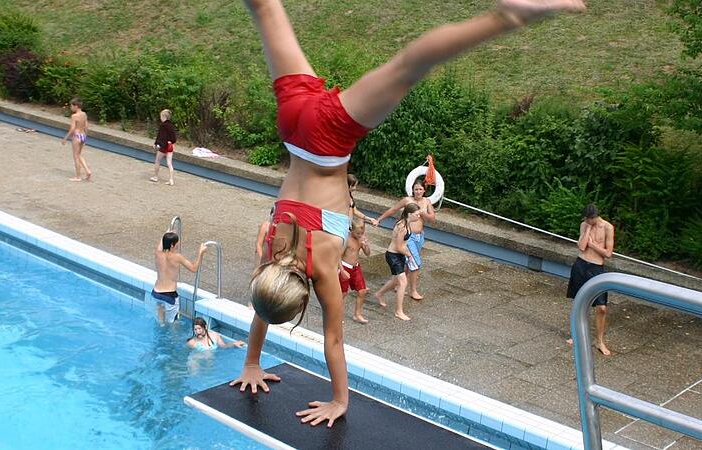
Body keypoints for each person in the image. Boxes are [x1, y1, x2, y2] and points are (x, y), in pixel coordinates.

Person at [231, 0, 586, 428]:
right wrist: (250, 362)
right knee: (265, 9)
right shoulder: (273, 256)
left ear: (303, 297)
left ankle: (507, 17)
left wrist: (339, 400)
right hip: (292, 128)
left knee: (410, 65)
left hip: (329, 141)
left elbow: (333, 340)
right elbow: (263, 303)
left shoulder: (321, 272)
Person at [566, 203, 614, 356]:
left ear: (594, 217)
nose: (586, 221)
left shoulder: (607, 227)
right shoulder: (584, 225)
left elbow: (608, 253)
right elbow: (581, 246)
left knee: (601, 307)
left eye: (588, 219)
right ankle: (577, 334)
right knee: (580, 302)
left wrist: (592, 245)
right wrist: (587, 230)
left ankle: (599, 341)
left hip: (596, 268)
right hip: (581, 264)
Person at [376, 179, 436, 300]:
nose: (418, 191)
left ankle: (398, 283)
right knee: (415, 263)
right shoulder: (407, 200)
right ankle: (413, 291)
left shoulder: (427, 201)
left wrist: (422, 213)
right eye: (416, 189)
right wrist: (379, 219)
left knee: (408, 262)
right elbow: (393, 209)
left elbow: (432, 219)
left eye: (420, 189)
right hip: (408, 236)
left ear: (424, 190)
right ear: (412, 190)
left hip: (419, 237)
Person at [374, 203, 421, 321]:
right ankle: (399, 311)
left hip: (399, 255)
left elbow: (403, 245)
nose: (419, 216)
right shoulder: (402, 227)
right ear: (409, 214)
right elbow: (399, 247)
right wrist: (409, 255)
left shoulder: (407, 223)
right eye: (417, 214)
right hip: (393, 256)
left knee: (395, 281)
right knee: (403, 283)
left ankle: (379, 294)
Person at [153, 231, 207, 325]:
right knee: (173, 323)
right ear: (172, 245)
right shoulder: (177, 257)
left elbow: (161, 243)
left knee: (161, 321)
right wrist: (200, 252)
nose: (179, 244)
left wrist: (167, 233)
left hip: (156, 293)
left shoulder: (158, 253)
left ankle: (161, 326)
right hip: (169, 295)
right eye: (177, 243)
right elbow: (194, 268)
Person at [340, 217, 371, 324]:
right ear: (351, 230)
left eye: (362, 233)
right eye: (358, 233)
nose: (360, 235)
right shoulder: (346, 239)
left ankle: (357, 314)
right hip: (345, 267)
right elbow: (338, 256)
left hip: (356, 267)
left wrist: (366, 246)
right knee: (343, 294)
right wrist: (342, 270)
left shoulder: (361, 238)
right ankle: (337, 315)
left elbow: (367, 254)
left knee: (362, 291)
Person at [61, 98, 92, 182]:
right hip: (83, 135)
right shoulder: (84, 114)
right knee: (79, 155)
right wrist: (85, 136)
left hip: (77, 136)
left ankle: (78, 176)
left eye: (71, 106)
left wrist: (65, 138)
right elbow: (86, 126)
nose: (71, 107)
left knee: (76, 156)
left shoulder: (74, 116)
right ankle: (88, 171)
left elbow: (72, 129)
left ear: (76, 106)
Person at [150, 109, 178, 185]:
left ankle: (155, 177)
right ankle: (171, 180)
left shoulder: (163, 125)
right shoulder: (171, 125)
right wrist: (171, 142)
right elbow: (174, 138)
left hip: (163, 146)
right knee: (169, 163)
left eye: (160, 116)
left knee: (157, 160)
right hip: (170, 146)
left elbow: (160, 136)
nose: (160, 118)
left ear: (163, 116)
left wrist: (156, 144)